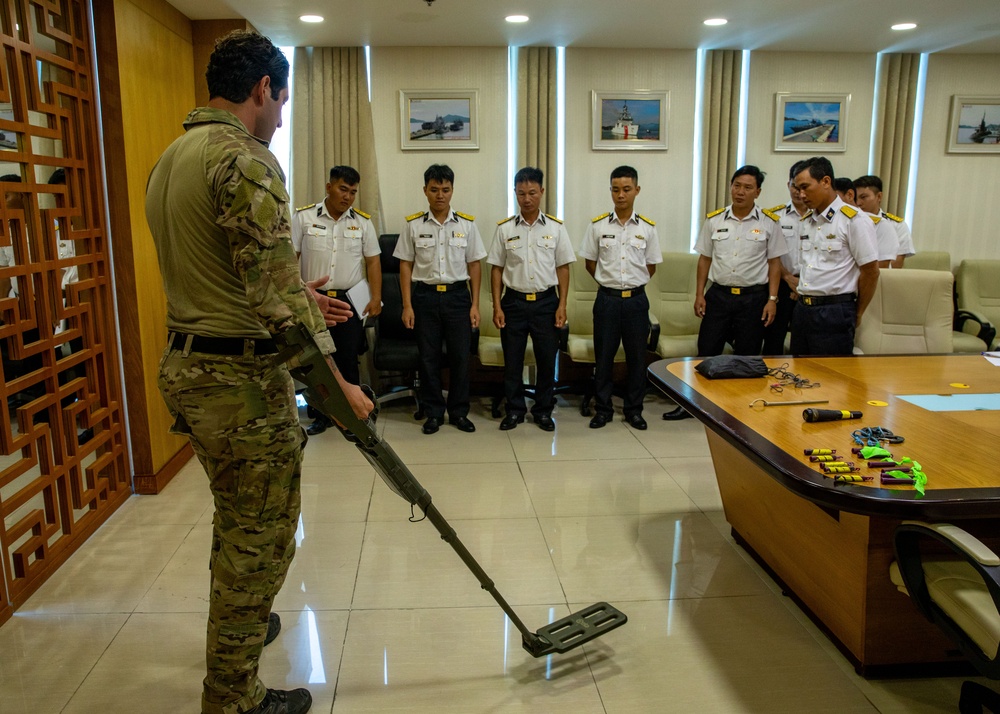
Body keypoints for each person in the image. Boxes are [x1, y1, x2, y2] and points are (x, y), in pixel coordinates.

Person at [145, 30, 371, 714]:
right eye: (281, 101)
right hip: (238, 386)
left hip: (191, 370)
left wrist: (305, 297)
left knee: (237, 521)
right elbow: (274, 305)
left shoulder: (173, 156)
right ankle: (233, 696)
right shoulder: (245, 161)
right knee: (263, 539)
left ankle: (240, 630)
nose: (279, 117)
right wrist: (341, 390)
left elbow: (228, 273)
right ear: (262, 89)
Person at [394, 164, 486, 435]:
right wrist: (407, 304)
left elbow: (475, 266)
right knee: (428, 358)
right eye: (434, 190)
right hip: (424, 297)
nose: (440, 195)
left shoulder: (467, 225)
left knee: (460, 357)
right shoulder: (413, 225)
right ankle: (433, 412)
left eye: (445, 190)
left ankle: (459, 412)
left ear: (452, 190)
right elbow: (405, 266)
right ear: (425, 191)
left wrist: (475, 304)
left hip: (458, 297)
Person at [291, 165, 381, 435]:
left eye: (353, 192)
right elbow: (291, 258)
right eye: (343, 189)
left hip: (347, 302)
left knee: (347, 359)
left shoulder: (362, 222)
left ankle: (353, 415)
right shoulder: (304, 218)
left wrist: (376, 297)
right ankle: (321, 415)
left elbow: (373, 261)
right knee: (316, 360)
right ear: (329, 187)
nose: (348, 196)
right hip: (313, 299)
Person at [487, 167, 575, 431]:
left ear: (542, 192)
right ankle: (514, 410)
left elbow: (563, 268)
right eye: (522, 193)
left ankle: (543, 410)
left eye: (532, 193)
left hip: (546, 303)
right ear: (515, 193)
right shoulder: (504, 229)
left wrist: (562, 304)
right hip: (513, 302)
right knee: (512, 361)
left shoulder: (556, 229)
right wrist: (497, 305)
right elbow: (496, 268)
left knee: (547, 360)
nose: (527, 199)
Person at [579, 165, 662, 430]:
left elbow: (651, 266)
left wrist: (631, 286)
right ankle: (602, 409)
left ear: (637, 190)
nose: (621, 195)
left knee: (637, 358)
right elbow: (590, 263)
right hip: (607, 301)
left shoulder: (647, 228)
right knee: (604, 358)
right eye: (616, 190)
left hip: (637, 301)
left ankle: (634, 410)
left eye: (626, 189)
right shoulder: (598, 226)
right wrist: (611, 284)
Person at [692, 165, 786, 358]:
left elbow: (774, 263)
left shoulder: (769, 222)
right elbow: (705, 259)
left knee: (747, 355)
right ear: (731, 187)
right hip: (718, 296)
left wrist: (772, 300)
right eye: (737, 185)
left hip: (753, 299)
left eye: (747, 187)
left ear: (757, 192)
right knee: (707, 350)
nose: (740, 192)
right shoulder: (715, 220)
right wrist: (699, 294)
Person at [789, 157, 880, 355]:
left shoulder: (853, 220)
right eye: (797, 188)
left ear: (826, 182)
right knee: (799, 375)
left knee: (831, 379)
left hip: (834, 311)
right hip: (803, 310)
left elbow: (871, 271)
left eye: (805, 187)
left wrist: (858, 311)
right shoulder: (806, 221)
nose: (801, 195)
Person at [761, 160, 809, 356]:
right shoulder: (774, 216)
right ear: (788, 185)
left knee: (804, 342)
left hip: (811, 287)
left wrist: (802, 283)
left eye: (803, 187)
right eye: (794, 187)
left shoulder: (821, 218)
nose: (798, 192)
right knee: (774, 338)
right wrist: (789, 279)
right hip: (780, 284)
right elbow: (768, 255)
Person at [835, 176, 898, 269]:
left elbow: (880, 268)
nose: (859, 203)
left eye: (863, 197)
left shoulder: (883, 225)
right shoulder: (836, 222)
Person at [854, 174, 916, 268]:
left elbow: (897, 263)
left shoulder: (897, 225)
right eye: (856, 198)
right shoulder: (850, 223)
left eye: (863, 197)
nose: (858, 203)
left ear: (879, 196)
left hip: (885, 278)